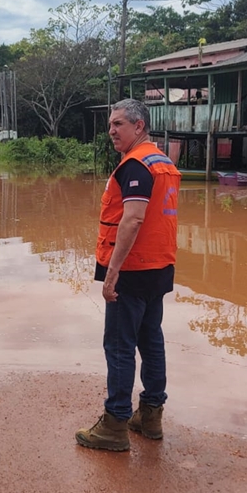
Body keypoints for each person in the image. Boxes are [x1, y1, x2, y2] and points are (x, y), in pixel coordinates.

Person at [76, 98, 180, 452]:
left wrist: (112, 273)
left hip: (132, 270)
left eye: (118, 124)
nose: (112, 132)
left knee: (120, 346)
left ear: (139, 126)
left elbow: (133, 219)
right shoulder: (162, 162)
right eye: (110, 125)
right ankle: (150, 415)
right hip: (159, 267)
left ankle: (115, 424)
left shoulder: (136, 165)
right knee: (151, 340)